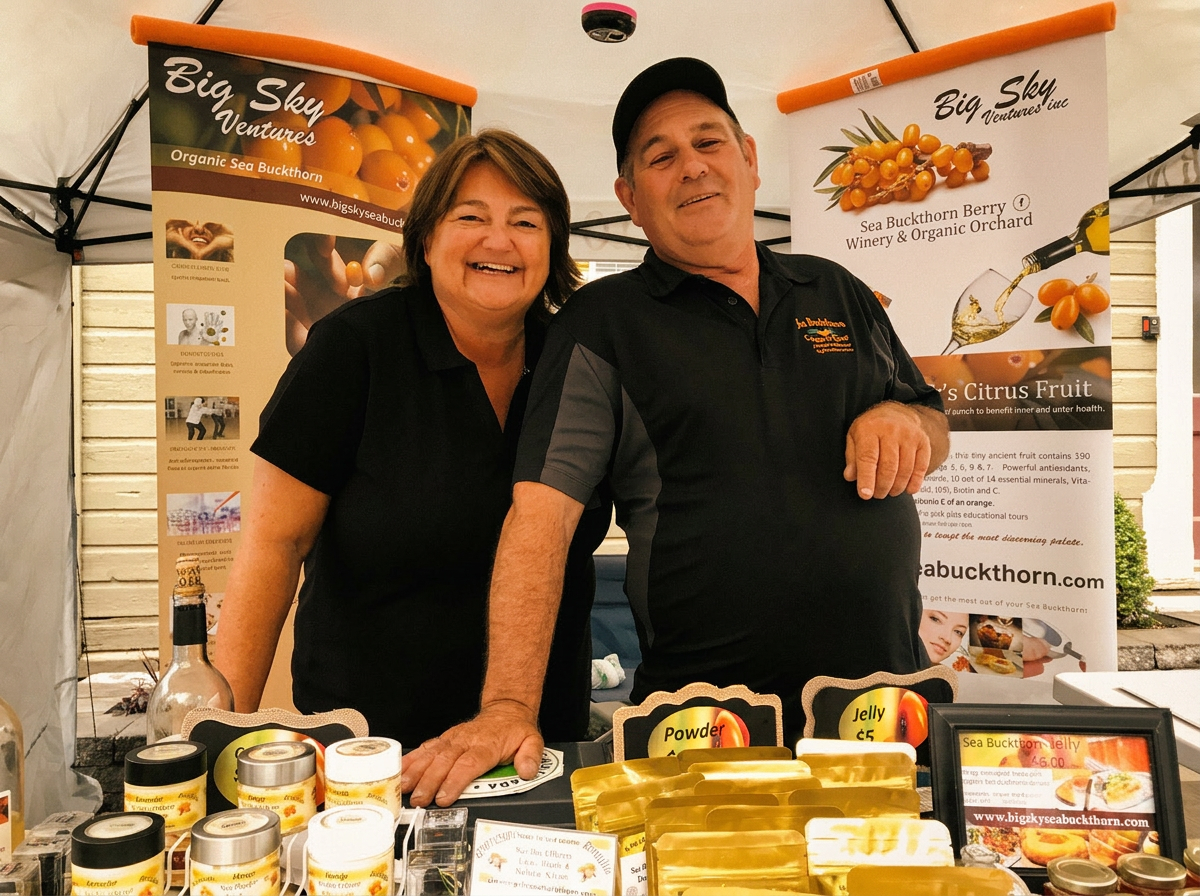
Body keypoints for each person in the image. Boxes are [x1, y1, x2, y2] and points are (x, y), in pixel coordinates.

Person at [402, 58, 949, 806]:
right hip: (705, 725)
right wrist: (507, 709)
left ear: (749, 159)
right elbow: (542, 517)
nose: (692, 167)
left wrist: (904, 417)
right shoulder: (605, 325)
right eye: (661, 157)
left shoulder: (836, 289)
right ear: (630, 198)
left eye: (708, 142)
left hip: (886, 709)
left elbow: (929, 417)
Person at [214, 129, 610, 745]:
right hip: (371, 752)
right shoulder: (355, 349)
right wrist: (221, 734)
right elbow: (273, 543)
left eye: (525, 222)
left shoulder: (578, 361)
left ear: (553, 246)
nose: (498, 241)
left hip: (536, 743)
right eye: (470, 216)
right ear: (426, 239)